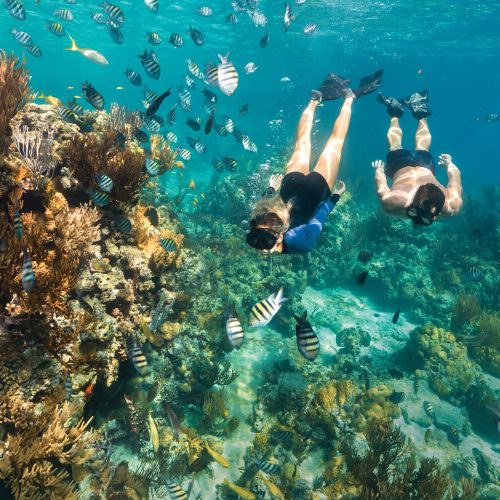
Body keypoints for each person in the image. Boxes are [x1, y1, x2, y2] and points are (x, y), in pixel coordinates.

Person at [246, 70, 384, 253]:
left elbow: (319, 218)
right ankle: (314, 99)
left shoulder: (299, 244)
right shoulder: (259, 219)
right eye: (259, 242)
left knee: (336, 142)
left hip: (315, 191)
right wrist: (271, 188)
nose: (261, 249)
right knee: (302, 144)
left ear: (280, 236)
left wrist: (335, 197)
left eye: (258, 241)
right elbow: (263, 204)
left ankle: (349, 98)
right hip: (290, 187)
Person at [373, 90, 463, 225]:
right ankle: (396, 113)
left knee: (418, 147)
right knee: (396, 145)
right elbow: (456, 177)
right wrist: (449, 164)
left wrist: (380, 170)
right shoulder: (452, 206)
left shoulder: (395, 202)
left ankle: (409, 113)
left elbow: (455, 176)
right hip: (403, 166)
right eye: (415, 211)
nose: (419, 218)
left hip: (422, 165)